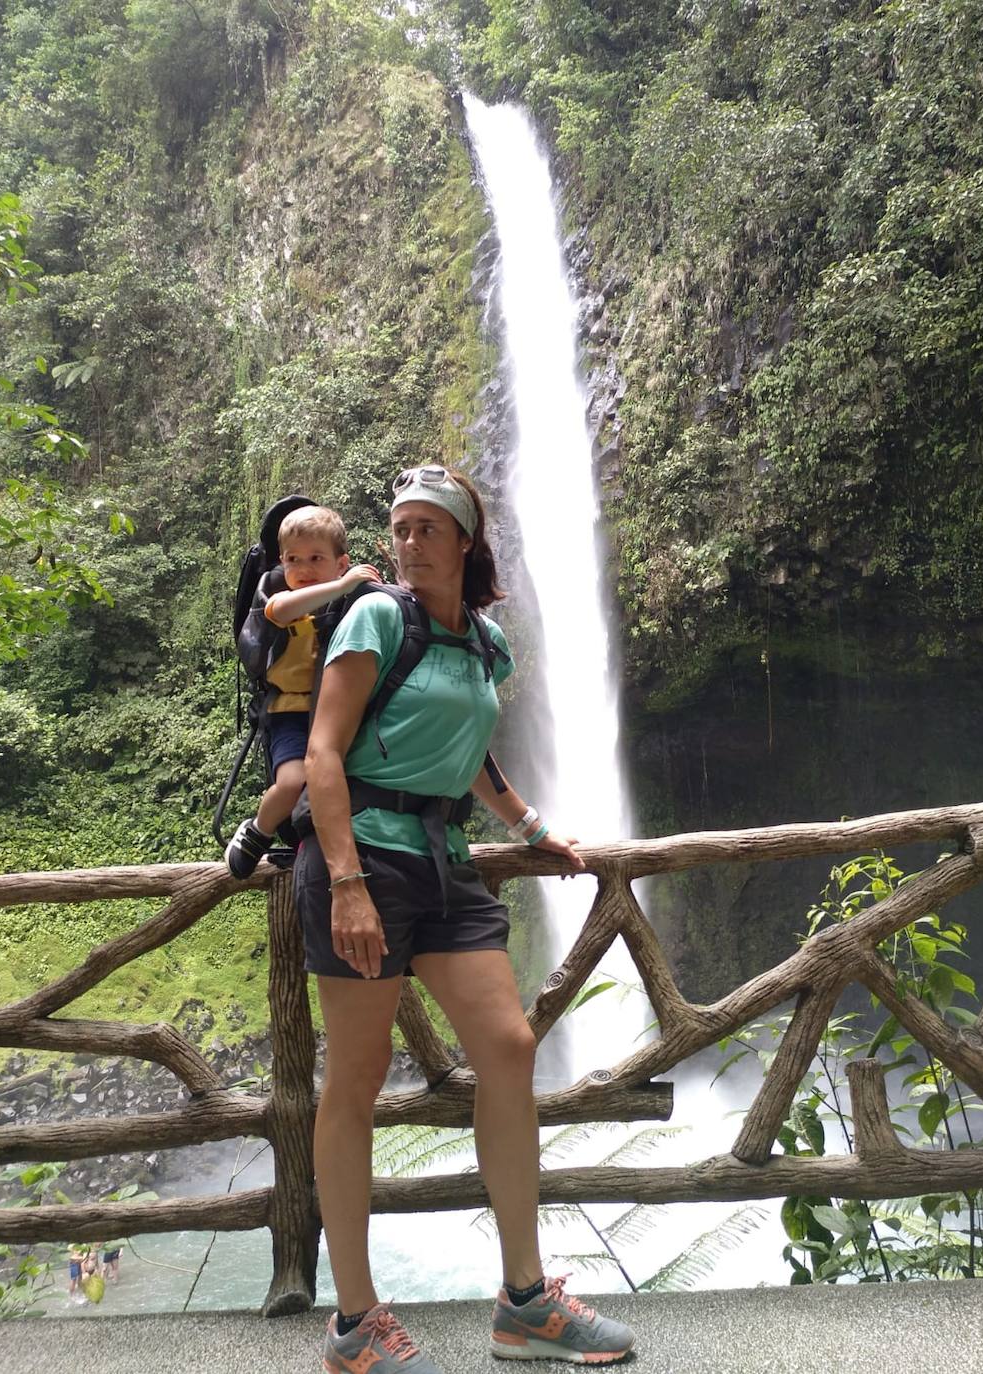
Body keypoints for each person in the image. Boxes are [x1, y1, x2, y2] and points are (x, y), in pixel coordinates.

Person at [294, 464, 636, 1372]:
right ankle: (353, 1323)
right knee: (356, 1081)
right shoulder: (374, 617)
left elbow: (471, 749)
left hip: (443, 863)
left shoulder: (485, 643)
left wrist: (530, 827)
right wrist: (346, 882)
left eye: (428, 529)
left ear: (464, 542)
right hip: (364, 858)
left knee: (508, 1048)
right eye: (400, 528)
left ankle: (525, 1302)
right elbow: (324, 752)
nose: (409, 543)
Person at [225, 505, 380, 878]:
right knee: (294, 781)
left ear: (341, 563)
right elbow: (280, 611)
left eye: (315, 558)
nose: (303, 569)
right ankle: (258, 830)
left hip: (339, 712)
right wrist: (341, 586)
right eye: (293, 559)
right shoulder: (278, 595)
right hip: (290, 713)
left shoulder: (351, 603)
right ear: (281, 562)